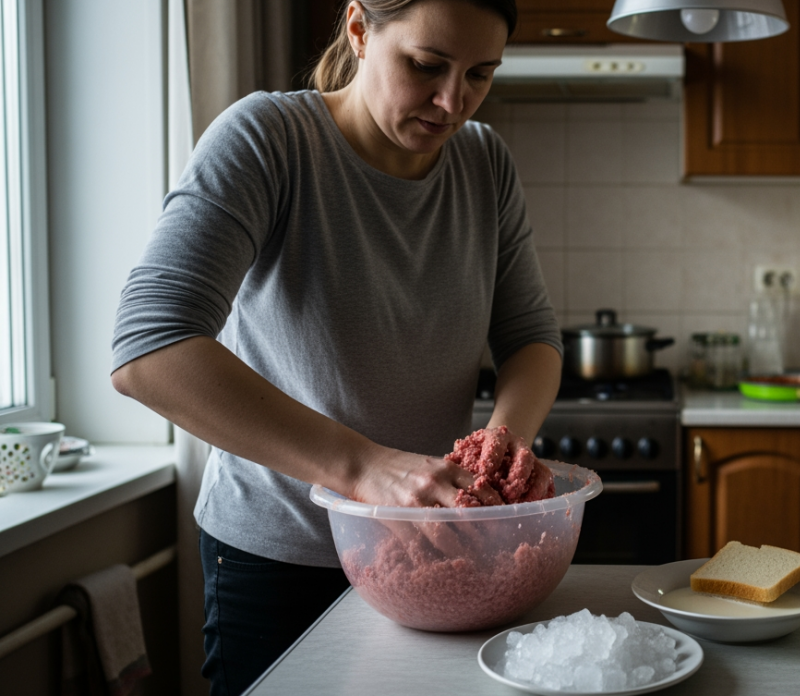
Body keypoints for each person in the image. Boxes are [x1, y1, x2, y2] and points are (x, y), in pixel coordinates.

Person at [110, 0, 560, 693]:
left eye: (480, 74)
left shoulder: (484, 160)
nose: (452, 101)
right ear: (358, 31)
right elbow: (150, 347)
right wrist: (366, 470)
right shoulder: (269, 139)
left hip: (438, 552)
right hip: (280, 561)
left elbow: (529, 336)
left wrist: (500, 447)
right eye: (426, 65)